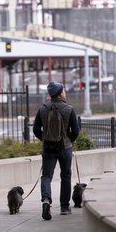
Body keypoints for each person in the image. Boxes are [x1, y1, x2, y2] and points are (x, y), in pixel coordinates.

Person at [33, 81, 80, 220]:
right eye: (64, 90)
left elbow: (36, 130)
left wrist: (45, 139)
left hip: (48, 148)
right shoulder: (69, 109)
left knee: (46, 176)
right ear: (60, 93)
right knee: (65, 175)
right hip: (64, 148)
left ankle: (46, 200)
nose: (65, 92)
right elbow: (76, 131)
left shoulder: (41, 109)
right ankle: (65, 207)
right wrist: (69, 140)